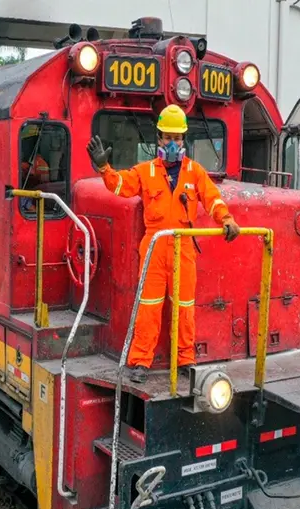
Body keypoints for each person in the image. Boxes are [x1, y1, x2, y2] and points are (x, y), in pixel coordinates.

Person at [87, 104, 241, 384]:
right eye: (168, 137)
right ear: (158, 138)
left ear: (184, 140)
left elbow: (213, 199)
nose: (172, 143)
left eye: (177, 138)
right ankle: (140, 362)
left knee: (184, 307)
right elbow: (120, 185)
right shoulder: (145, 172)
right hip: (155, 248)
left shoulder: (195, 172)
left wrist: (227, 219)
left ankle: (185, 359)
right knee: (148, 306)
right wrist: (103, 168)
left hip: (183, 248)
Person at [19, 126, 51, 213]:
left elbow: (44, 187)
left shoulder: (40, 164)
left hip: (35, 201)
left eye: (25, 143)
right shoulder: (25, 163)